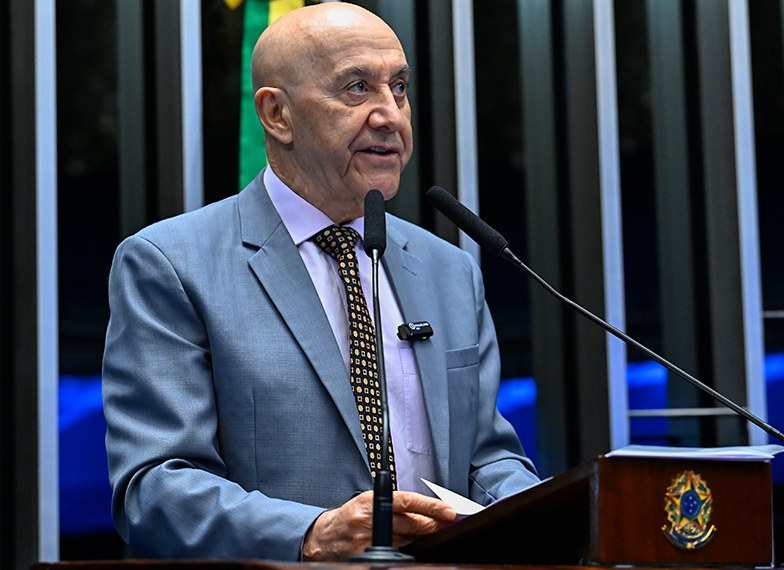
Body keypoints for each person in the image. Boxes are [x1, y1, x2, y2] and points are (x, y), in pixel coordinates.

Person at [102, 2, 539, 562]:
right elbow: (155, 487)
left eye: (399, 88)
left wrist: (549, 514)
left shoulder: (447, 268)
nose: (390, 116)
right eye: (357, 89)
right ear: (277, 115)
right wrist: (311, 534)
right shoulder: (170, 263)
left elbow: (487, 461)